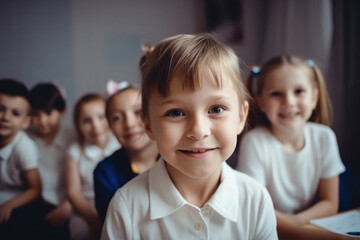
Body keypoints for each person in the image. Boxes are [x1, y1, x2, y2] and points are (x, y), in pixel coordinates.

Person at [101, 33, 278, 240]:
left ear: (240, 117)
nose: (198, 130)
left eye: (216, 109)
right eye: (176, 112)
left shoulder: (255, 200)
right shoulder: (126, 207)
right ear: (148, 124)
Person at [236, 56, 347, 239]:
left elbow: (330, 203)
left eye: (299, 91)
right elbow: (256, 210)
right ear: (262, 103)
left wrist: (295, 221)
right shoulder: (255, 142)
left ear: (314, 98)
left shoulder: (324, 137)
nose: (289, 102)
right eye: (276, 94)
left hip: (304, 227)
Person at [94, 83, 159, 223]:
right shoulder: (105, 172)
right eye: (117, 118)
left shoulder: (177, 159)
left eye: (138, 112)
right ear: (109, 126)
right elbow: (111, 223)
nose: (129, 124)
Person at [66, 93, 120, 240]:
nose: (95, 125)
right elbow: (73, 192)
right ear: (78, 125)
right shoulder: (75, 151)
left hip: (116, 204)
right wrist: (93, 219)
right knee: (80, 232)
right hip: (86, 208)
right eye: (87, 121)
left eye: (101, 117)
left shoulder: (120, 144)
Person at [28, 82, 74, 239]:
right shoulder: (26, 140)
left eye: (48, 112)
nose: (42, 120)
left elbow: (84, 177)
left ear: (62, 112)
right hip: (35, 206)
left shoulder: (73, 138)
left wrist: (69, 204)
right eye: (35, 113)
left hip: (68, 204)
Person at [0, 78, 42, 239]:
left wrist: (8, 205)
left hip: (17, 201)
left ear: (26, 122)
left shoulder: (24, 147)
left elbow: (35, 189)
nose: (5, 117)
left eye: (15, 113)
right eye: (1, 109)